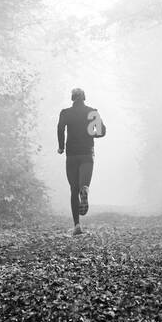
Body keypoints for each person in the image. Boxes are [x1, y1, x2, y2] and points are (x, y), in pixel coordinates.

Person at [57, 87, 106, 235]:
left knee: (73, 189)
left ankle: (77, 225)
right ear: (84, 97)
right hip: (87, 153)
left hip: (72, 154)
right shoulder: (92, 112)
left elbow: (60, 129)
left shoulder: (65, 113)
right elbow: (102, 131)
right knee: (83, 185)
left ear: (72, 98)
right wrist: (93, 135)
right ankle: (84, 190)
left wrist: (61, 147)